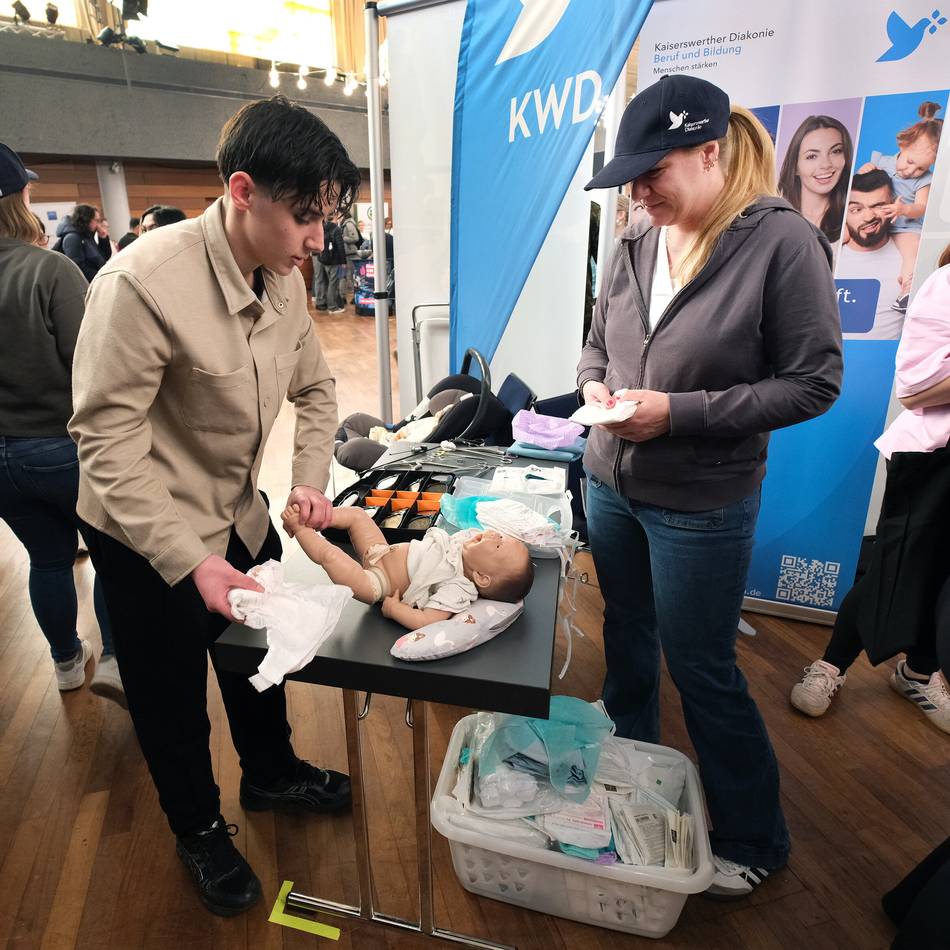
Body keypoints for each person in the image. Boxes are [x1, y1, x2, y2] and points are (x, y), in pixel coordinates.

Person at [69, 96, 361, 917]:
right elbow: (105, 441)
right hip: (144, 533)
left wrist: (309, 479)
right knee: (170, 698)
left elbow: (315, 388)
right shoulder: (141, 283)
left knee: (258, 661)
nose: (318, 240)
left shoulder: (285, 280)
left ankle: (271, 773)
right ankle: (197, 828)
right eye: (305, 217)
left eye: (326, 218)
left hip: (237, 511)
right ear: (242, 192)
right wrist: (187, 559)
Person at [579, 74, 842, 897]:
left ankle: (755, 835)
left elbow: (814, 382)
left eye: (652, 173)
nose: (638, 193)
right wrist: (593, 387)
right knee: (628, 635)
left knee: (701, 668)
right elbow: (597, 341)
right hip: (610, 484)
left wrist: (679, 414)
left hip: (700, 504)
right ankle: (631, 771)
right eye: (630, 178)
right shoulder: (635, 238)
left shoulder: (781, 243)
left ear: (708, 152)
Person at [790, 242, 950, 733]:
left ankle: (918, 672)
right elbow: (913, 390)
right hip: (934, 457)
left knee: (945, 575)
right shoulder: (946, 285)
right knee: (895, 568)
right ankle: (831, 665)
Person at [0, 143, 122, 706]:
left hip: (3, 460)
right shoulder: (48, 269)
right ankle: (118, 659)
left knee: (47, 559)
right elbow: (90, 366)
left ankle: (66, 662)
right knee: (111, 554)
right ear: (17, 198)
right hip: (60, 447)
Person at [282, 504, 533, 630]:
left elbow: (427, 621)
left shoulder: (458, 588)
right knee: (358, 514)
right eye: (500, 536)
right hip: (380, 550)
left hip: (377, 583)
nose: (493, 535)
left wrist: (395, 610)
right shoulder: (465, 545)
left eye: (498, 544)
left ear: (482, 577)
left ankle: (300, 529)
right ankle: (313, 516)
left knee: (331, 556)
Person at [858, 100, 943, 311]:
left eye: (921, 168)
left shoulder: (924, 180)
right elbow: (860, 188)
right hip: (876, 220)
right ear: (902, 145)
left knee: (912, 252)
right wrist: (864, 170)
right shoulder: (882, 162)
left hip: (904, 226)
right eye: (911, 162)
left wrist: (903, 209)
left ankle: (906, 292)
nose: (912, 171)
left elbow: (922, 207)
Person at [837, 170, 905, 339]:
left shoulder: (908, 261)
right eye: (856, 209)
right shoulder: (825, 258)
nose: (868, 217)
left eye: (879, 206)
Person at [778, 114, 853, 243]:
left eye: (836, 151)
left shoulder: (851, 220)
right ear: (795, 167)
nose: (826, 164)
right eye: (812, 156)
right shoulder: (774, 219)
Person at [55, 204, 107, 281]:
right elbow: (78, 268)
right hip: (85, 283)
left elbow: (103, 258)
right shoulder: (72, 238)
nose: (98, 225)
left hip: (94, 280)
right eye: (96, 220)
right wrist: (101, 278)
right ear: (87, 219)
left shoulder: (86, 235)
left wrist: (103, 238)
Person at [312, 214, 346, 312]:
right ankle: (331, 305)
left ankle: (322, 302)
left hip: (322, 257)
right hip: (331, 259)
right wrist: (343, 261)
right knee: (332, 282)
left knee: (322, 280)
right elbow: (340, 246)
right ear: (335, 217)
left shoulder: (322, 227)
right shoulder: (335, 229)